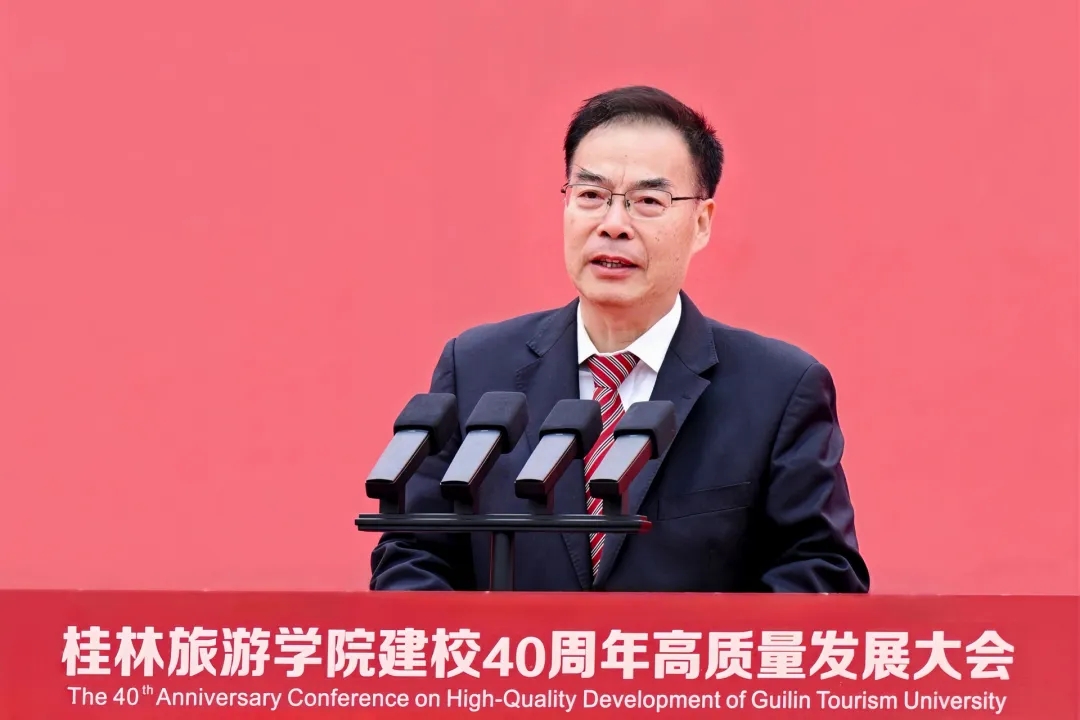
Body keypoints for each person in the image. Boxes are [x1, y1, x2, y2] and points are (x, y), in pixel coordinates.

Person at [369, 85, 870, 593]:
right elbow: (413, 555)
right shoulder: (477, 368)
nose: (613, 225)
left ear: (701, 223)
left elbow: (821, 573)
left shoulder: (778, 390)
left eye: (647, 201)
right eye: (591, 196)